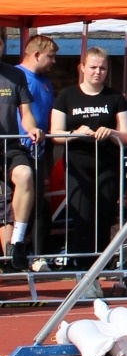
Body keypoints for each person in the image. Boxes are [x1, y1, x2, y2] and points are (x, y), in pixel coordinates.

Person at [51, 48, 127, 270]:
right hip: (78, 166)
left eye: (103, 68)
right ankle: (82, 267)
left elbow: (125, 135)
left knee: (104, 216)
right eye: (93, 67)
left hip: (107, 165)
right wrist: (76, 133)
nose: (98, 72)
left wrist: (112, 133)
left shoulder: (116, 98)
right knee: (82, 216)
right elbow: (55, 133)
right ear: (82, 68)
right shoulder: (67, 95)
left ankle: (100, 266)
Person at [12, 36, 57, 271]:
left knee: (40, 205)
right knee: (15, 205)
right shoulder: (17, 76)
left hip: (40, 149)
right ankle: (14, 256)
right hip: (17, 148)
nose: (54, 61)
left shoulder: (46, 82)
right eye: (51, 56)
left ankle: (37, 256)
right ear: (37, 54)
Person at [0, 58, 44, 272]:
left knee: (25, 174)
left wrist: (32, 128)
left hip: (9, 146)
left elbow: (26, 115)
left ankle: (17, 244)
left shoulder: (15, 75)